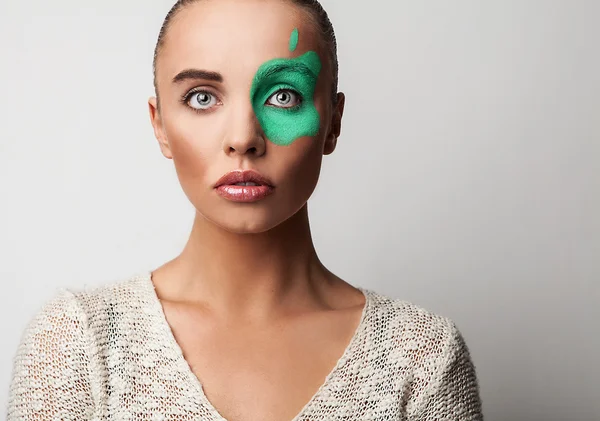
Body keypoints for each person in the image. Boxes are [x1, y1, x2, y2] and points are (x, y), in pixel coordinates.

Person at [7, 0, 484, 419]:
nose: (242, 138)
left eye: (283, 96)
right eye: (202, 97)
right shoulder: (78, 344)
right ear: (160, 127)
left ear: (333, 123)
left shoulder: (422, 358)